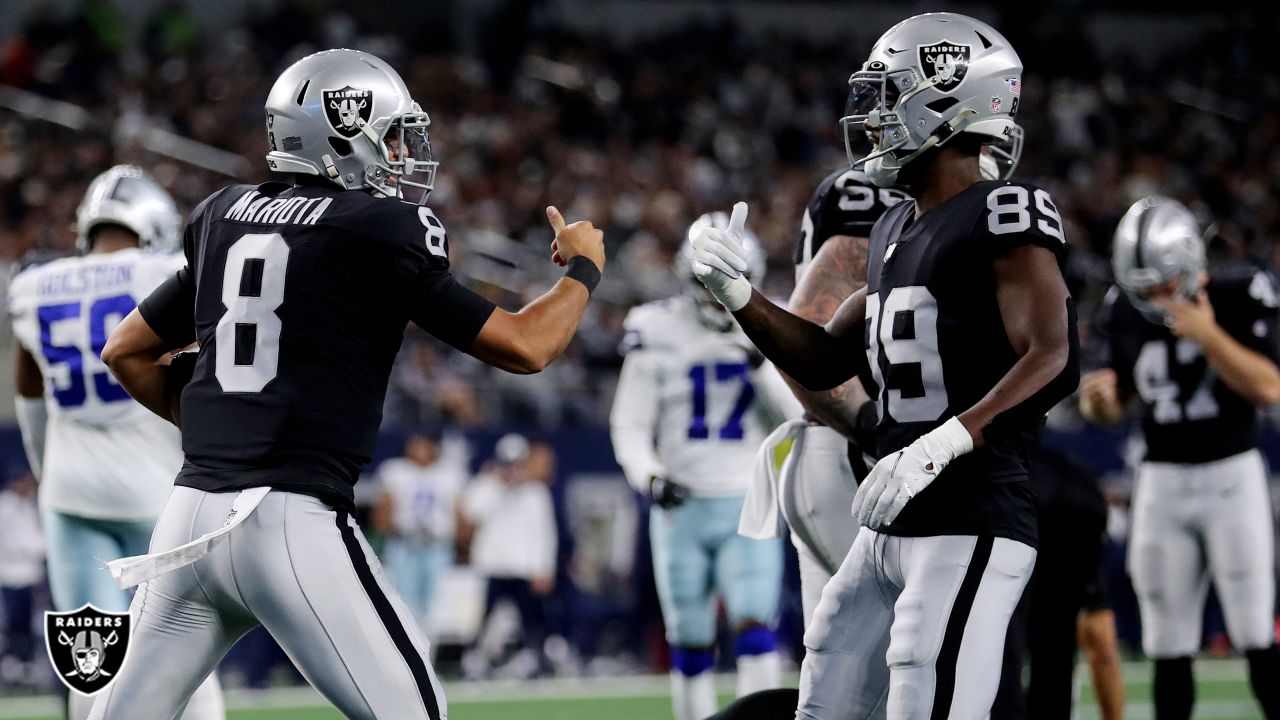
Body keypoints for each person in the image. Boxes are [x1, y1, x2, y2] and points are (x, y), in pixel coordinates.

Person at [91, 48, 605, 720]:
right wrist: (584, 271)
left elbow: (125, 351)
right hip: (289, 522)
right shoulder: (380, 227)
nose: (401, 151)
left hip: (188, 518)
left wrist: (227, 424)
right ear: (343, 129)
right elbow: (527, 346)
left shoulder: (224, 214)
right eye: (392, 133)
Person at [691, 12, 1079, 719]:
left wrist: (946, 441)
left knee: (923, 701)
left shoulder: (1005, 210)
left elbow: (1054, 356)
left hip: (970, 511)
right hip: (888, 518)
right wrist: (740, 298)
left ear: (946, 101)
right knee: (826, 697)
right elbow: (827, 352)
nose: (871, 117)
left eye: (887, 95)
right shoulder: (898, 222)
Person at [7, 165, 225, 720]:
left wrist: (48, 470)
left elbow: (29, 394)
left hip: (73, 495)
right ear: (153, 225)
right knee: (185, 656)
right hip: (158, 491)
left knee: (92, 664)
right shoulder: (169, 270)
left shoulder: (33, 285)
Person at [1079, 195, 1280, 720]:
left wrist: (1208, 333)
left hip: (1231, 477)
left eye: (1163, 285)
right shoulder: (1123, 310)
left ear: (1191, 261)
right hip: (1162, 482)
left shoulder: (1240, 293)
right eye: (1142, 288)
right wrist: (1099, 403)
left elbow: (1270, 388)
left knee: (1254, 628)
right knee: (1166, 639)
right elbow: (1118, 402)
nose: (1155, 298)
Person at [610, 214, 801, 720]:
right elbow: (629, 424)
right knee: (688, 638)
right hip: (682, 503)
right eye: (706, 279)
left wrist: (762, 359)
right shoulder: (657, 326)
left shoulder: (775, 319)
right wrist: (648, 475)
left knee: (755, 626)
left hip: (748, 498)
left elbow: (801, 416)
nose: (716, 292)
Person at [774, 164, 906, 627]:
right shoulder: (871, 194)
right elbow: (810, 337)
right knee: (890, 644)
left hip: (858, 454)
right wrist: (871, 422)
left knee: (836, 657)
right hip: (852, 451)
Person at [457, 434, 559, 678]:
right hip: (492, 566)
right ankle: (477, 660)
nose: (513, 469)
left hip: (523, 568)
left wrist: (544, 568)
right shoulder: (486, 487)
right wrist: (494, 483)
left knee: (531, 618)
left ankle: (532, 658)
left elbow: (545, 533)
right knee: (483, 618)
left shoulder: (536, 492)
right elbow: (471, 511)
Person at [372, 431, 466, 633]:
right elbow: (383, 508)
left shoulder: (449, 474)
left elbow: (459, 512)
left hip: (438, 544)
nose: (420, 450)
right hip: (404, 543)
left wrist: (459, 541)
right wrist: (389, 528)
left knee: (436, 603)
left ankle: (429, 650)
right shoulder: (395, 471)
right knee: (402, 598)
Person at [0, 473, 44, 684]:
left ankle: (25, 663)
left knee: (27, 623)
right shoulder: (6, 507)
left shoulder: (28, 505)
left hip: (30, 574)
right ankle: (13, 663)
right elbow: (13, 543)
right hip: (11, 575)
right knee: (14, 623)